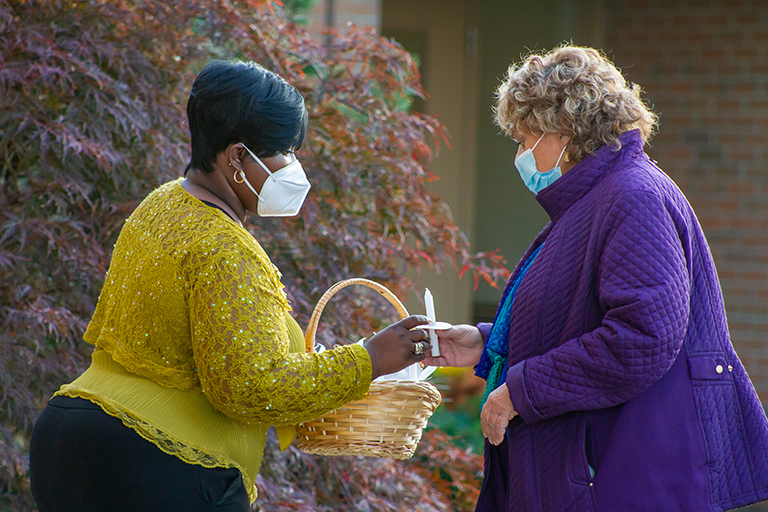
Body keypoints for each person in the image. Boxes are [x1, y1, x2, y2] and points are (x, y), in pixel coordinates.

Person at [29, 60, 433, 512]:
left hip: (69, 434)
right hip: (152, 460)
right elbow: (250, 389)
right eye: (286, 152)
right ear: (237, 157)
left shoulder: (161, 203)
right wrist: (370, 358)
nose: (294, 168)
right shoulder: (225, 246)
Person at [423, 45, 768, 511]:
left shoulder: (632, 197)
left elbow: (642, 337)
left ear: (564, 129)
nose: (520, 154)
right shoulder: (595, 199)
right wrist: (486, 343)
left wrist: (521, 392)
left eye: (526, 139)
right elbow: (577, 318)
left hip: (624, 476)